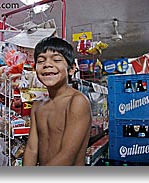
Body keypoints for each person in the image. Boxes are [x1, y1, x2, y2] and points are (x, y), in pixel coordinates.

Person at [23, 36, 92, 166]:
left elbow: (67, 156)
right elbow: (32, 150)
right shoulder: (37, 106)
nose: (47, 64)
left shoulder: (77, 102)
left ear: (71, 69)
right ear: (35, 69)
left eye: (57, 60)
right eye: (41, 61)